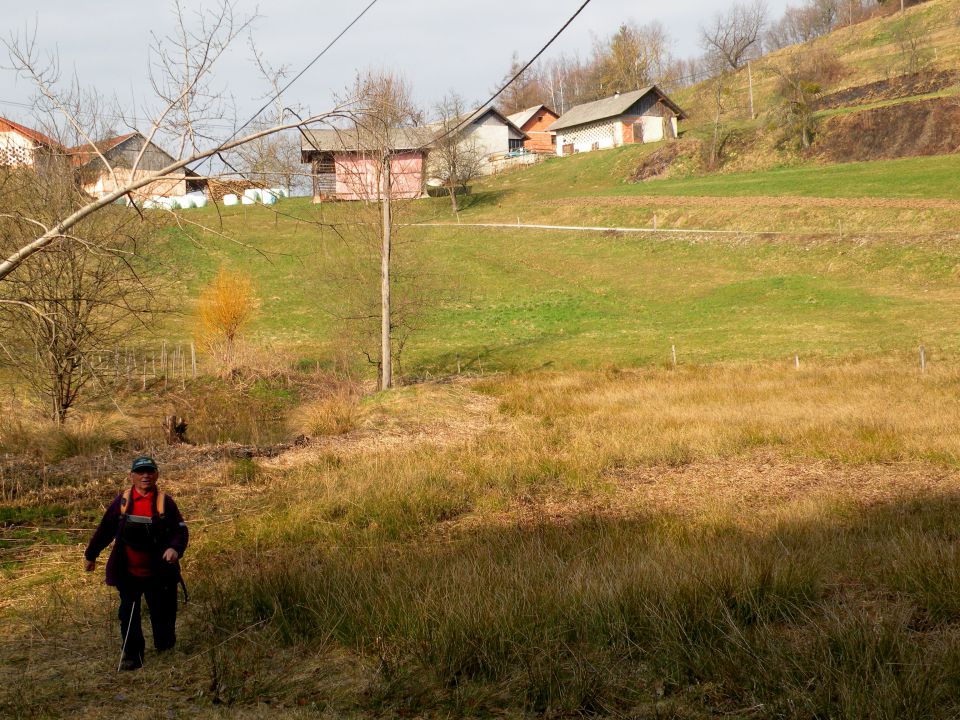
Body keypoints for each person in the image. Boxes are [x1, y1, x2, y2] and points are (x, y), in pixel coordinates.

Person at [84, 456, 189, 671]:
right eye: (140, 472)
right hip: (128, 572)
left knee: (163, 613)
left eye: (149, 471)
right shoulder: (121, 503)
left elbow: (180, 530)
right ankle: (132, 656)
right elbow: (104, 531)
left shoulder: (164, 502)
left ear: (157, 475)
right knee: (128, 615)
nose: (145, 476)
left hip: (158, 573)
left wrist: (174, 549)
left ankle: (165, 647)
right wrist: (91, 555)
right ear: (132, 476)